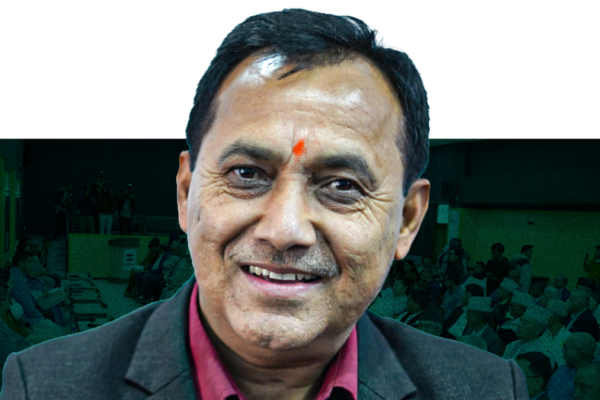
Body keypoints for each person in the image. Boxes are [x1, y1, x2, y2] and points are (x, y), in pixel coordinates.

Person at [0, 9, 527, 400]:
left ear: (408, 220)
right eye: (246, 174)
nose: (285, 229)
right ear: (185, 193)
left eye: (342, 185)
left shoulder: (486, 390)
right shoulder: (43, 386)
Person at [544, 332, 596, 400]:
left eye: (565, 347)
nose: (562, 350)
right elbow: (546, 392)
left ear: (577, 353)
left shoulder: (594, 377)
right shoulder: (562, 369)